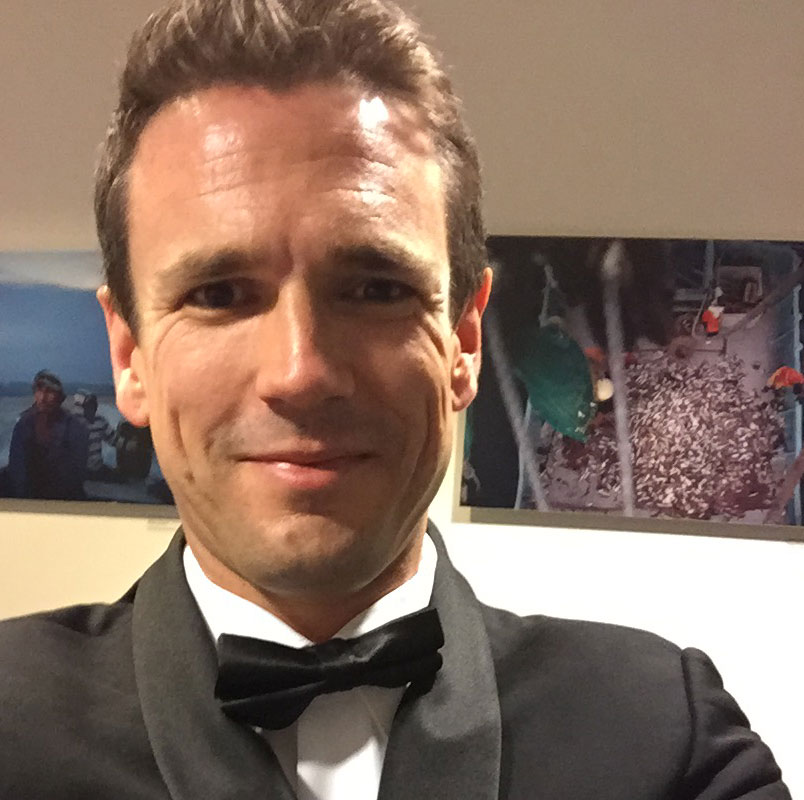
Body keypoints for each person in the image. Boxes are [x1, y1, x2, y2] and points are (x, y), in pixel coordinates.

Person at [0, 1, 790, 798]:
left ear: (464, 342)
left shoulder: (662, 734)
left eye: (376, 289)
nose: (300, 373)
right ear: (129, 356)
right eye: (219, 294)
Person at [6, 370, 89, 500]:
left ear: (59, 397)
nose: (42, 398)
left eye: (49, 392)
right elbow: (17, 468)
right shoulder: (23, 425)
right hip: (28, 499)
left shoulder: (74, 427)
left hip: (64, 500)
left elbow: (75, 474)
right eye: (39, 391)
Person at [77, 393, 118, 479]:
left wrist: (129, 444)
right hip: (80, 470)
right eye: (88, 406)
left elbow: (114, 440)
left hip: (97, 468)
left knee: (121, 478)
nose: (90, 409)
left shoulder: (100, 421)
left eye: (93, 407)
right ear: (83, 407)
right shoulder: (76, 422)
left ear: (96, 408)